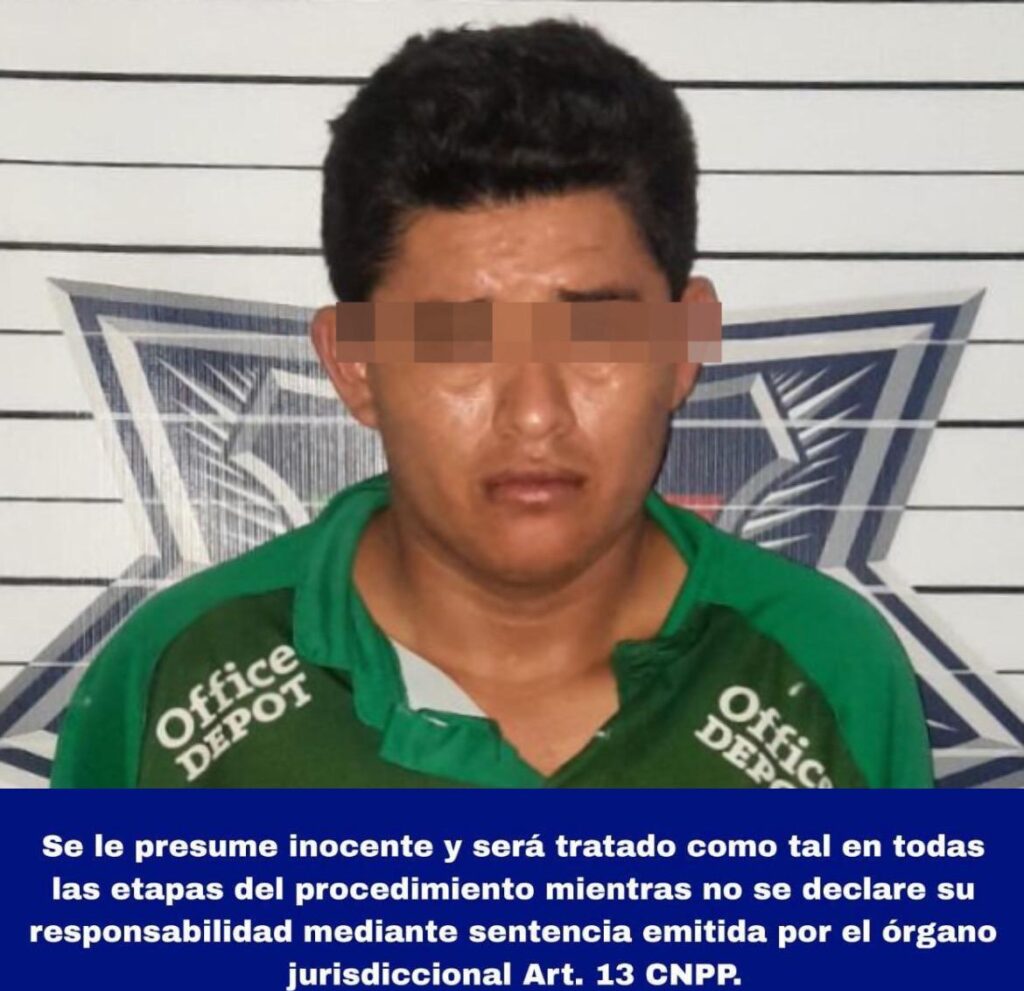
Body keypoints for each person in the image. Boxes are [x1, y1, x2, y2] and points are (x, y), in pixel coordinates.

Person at [51, 19, 933, 789]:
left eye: (596, 333)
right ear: (354, 365)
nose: (536, 413)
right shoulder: (178, 675)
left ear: (685, 344)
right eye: (458, 341)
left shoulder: (825, 668)